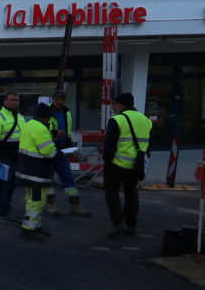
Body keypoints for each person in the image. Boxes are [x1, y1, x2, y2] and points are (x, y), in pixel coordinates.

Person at [103, 92, 152, 238]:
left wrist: (107, 160)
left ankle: (118, 224)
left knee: (112, 193)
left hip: (116, 164)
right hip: (136, 165)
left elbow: (109, 145)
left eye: (114, 103)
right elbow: (148, 145)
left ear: (120, 104)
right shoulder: (146, 120)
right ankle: (131, 225)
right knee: (131, 194)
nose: (112, 106)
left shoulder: (117, 120)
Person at [16, 103, 59, 241]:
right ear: (45, 117)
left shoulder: (28, 125)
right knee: (37, 201)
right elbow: (48, 151)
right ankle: (28, 229)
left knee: (31, 199)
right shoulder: (41, 128)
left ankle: (35, 225)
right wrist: (61, 154)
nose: (49, 121)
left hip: (26, 170)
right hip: (37, 173)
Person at [45, 90, 91, 217]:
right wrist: (55, 134)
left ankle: (75, 207)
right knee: (48, 180)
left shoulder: (66, 112)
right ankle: (51, 206)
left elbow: (68, 133)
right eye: (57, 99)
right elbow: (40, 131)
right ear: (52, 99)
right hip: (48, 151)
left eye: (62, 99)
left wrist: (71, 149)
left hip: (62, 151)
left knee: (68, 179)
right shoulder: (45, 112)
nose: (60, 102)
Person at [0, 92, 25, 224]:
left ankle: (7, 211)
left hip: (16, 157)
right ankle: (3, 214)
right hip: (3, 157)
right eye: (12, 100)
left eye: (17, 100)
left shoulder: (20, 117)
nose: (15, 102)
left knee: (12, 185)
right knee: (4, 186)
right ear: (5, 101)